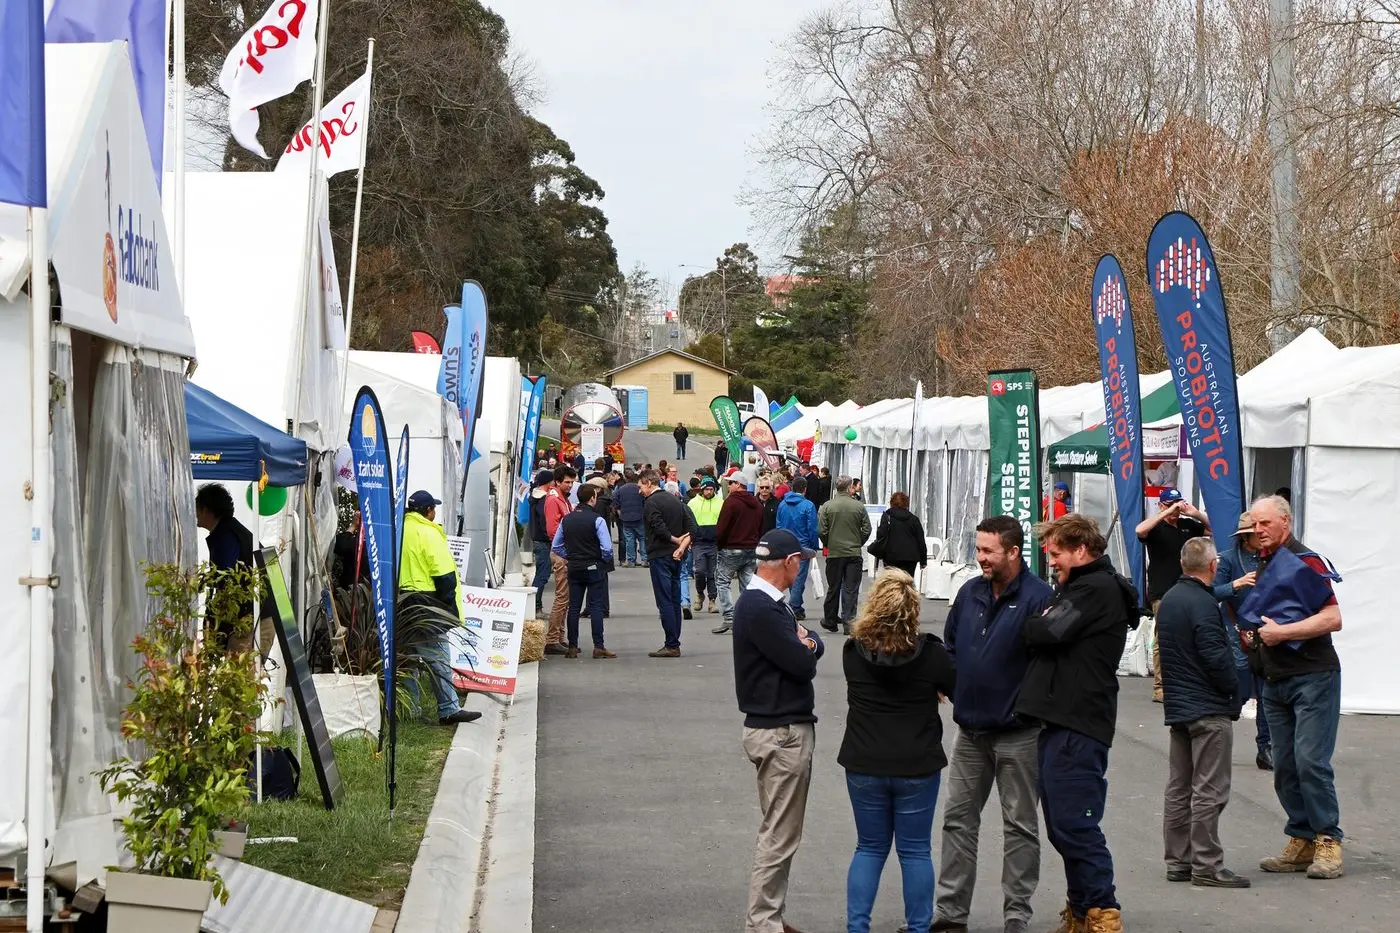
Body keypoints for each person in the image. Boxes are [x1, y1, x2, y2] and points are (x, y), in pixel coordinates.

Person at [931, 516, 1053, 933]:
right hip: (970, 733)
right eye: (978, 549)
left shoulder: (1039, 598)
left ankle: (1016, 915)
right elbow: (950, 646)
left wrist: (1024, 707)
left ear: (1014, 552)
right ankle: (951, 914)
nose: (980, 557)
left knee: (1019, 827)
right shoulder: (970, 592)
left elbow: (1049, 664)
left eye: (988, 551)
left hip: (1020, 735)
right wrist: (952, 683)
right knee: (957, 822)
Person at [1017, 514, 1136, 933]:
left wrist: (1037, 620)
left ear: (1081, 550)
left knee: (1075, 823)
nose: (1050, 562)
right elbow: (1048, 627)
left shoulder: (1095, 589)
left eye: (1056, 553)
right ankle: (1083, 908)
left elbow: (1046, 631)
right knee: (1062, 825)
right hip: (1062, 720)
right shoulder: (1080, 588)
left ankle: (1102, 910)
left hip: (1079, 723)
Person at [840, 569, 956, 933]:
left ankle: (858, 927)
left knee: (869, 848)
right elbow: (954, 687)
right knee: (916, 850)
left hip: (864, 761)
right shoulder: (932, 654)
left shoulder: (853, 651)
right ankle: (919, 927)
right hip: (916, 762)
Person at [1245, 495, 1345, 880]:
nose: (1258, 530)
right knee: (1284, 765)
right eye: (1255, 524)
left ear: (1285, 522)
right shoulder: (1264, 561)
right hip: (1275, 680)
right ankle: (1302, 837)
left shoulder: (1306, 561)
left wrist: (1282, 633)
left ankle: (1328, 839)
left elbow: (1333, 618)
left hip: (1313, 677)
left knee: (1310, 762)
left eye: (1265, 523)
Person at [732, 529, 824, 933]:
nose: (799, 569)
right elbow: (802, 662)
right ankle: (763, 921)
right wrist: (809, 644)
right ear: (788, 563)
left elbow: (806, 646)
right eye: (798, 562)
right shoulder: (762, 607)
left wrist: (808, 642)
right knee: (780, 834)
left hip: (775, 727)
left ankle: (769, 915)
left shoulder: (764, 604)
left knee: (779, 829)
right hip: (780, 730)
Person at [1156, 537, 1249, 889]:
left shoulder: (1170, 600)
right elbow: (1215, 656)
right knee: (1210, 789)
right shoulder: (1204, 603)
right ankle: (1207, 864)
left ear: (1183, 564)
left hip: (1180, 706)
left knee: (1179, 787)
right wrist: (1234, 689)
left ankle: (1178, 860)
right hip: (1208, 707)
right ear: (1213, 566)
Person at [397, 490, 483, 726]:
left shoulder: (398, 529)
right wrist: (446, 609)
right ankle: (449, 709)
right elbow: (444, 574)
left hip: (401, 601)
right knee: (438, 658)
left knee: (407, 658)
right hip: (427, 603)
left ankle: (410, 710)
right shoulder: (428, 532)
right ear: (428, 511)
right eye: (433, 508)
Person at [1136, 488, 1210, 702]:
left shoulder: (1187, 525)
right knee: (1163, 639)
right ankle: (1160, 687)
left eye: (1178, 504)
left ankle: (1184, 683)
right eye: (1170, 505)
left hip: (1187, 589)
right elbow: (1140, 530)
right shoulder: (1156, 527)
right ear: (1161, 505)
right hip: (1162, 590)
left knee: (1188, 636)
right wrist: (1166, 513)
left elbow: (1214, 529)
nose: (1176, 510)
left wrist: (1196, 513)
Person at [1212, 511, 1271, 771]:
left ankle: (1265, 748)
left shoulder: (1272, 557)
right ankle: (1215, 743)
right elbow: (1211, 592)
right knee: (1239, 689)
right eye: (1256, 533)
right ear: (1246, 537)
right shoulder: (1227, 559)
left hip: (1266, 632)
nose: (1262, 536)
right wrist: (1236, 584)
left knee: (1266, 693)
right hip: (1236, 630)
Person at [550, 483, 617, 659]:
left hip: (574, 566)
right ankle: (598, 646)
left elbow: (556, 545)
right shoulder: (597, 520)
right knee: (596, 606)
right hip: (594, 565)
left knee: (574, 607)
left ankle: (572, 646)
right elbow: (607, 547)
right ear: (592, 498)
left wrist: (570, 556)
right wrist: (602, 558)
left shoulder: (566, 519)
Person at [195, 483, 264, 651]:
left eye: (196, 509)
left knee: (238, 664)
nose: (194, 514)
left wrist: (201, 582)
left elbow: (225, 576)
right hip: (254, 613)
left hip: (252, 615)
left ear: (206, 510)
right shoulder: (228, 529)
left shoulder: (225, 535)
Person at [640, 469, 694, 658]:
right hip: (676, 556)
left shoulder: (651, 502)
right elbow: (691, 528)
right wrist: (682, 546)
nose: (640, 490)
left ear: (648, 483)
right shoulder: (676, 500)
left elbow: (658, 527)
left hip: (660, 554)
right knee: (674, 599)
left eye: (641, 486)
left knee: (664, 600)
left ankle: (671, 643)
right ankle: (674, 641)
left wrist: (675, 540)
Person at [818, 476, 871, 635]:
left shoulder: (827, 506)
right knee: (851, 588)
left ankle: (830, 619)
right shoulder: (858, 506)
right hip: (853, 552)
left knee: (833, 587)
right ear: (849, 488)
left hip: (835, 553)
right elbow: (867, 529)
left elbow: (821, 530)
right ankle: (849, 622)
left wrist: (828, 543)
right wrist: (858, 542)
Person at [713, 469, 763, 635]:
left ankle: (729, 617)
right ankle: (748, 617)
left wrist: (719, 545)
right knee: (747, 583)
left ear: (738, 484)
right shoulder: (756, 503)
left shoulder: (731, 502)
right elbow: (760, 526)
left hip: (731, 548)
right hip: (751, 548)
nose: (728, 486)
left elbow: (722, 527)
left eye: (730, 483)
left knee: (722, 581)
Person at [776, 475, 819, 622]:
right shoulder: (808, 505)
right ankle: (794, 607)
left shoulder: (782, 504)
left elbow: (779, 525)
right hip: (802, 545)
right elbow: (812, 528)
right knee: (799, 578)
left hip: (786, 544)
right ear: (805, 489)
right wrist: (814, 547)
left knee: (791, 576)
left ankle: (797, 607)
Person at [544, 465, 577, 656]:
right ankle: (552, 639)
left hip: (564, 551)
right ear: (557, 482)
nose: (570, 485)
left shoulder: (562, 498)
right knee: (562, 597)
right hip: (561, 552)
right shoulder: (553, 499)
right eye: (567, 482)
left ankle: (559, 637)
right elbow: (552, 529)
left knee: (566, 598)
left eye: (572, 482)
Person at [870, 492, 928, 578]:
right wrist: (923, 561)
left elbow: (881, 535)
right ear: (906, 503)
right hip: (910, 558)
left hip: (890, 556)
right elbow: (921, 541)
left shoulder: (887, 517)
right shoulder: (914, 519)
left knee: (892, 581)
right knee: (906, 581)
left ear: (892, 502)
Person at [688, 477, 723, 614]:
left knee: (712, 573)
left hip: (714, 543)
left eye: (711, 489)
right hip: (698, 542)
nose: (709, 492)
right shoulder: (693, 503)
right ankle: (700, 593)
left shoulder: (720, 503)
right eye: (706, 489)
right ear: (701, 490)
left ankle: (712, 600)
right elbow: (687, 522)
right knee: (700, 571)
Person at [527, 469, 557, 617]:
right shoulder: (543, 499)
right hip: (543, 540)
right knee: (543, 575)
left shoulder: (534, 496)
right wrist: (551, 537)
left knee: (541, 573)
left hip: (537, 538)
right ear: (549, 482)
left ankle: (534, 606)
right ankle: (535, 607)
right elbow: (544, 521)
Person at [614, 471, 647, 568]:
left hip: (626, 518)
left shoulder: (621, 489)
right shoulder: (639, 488)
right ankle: (644, 559)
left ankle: (631, 560)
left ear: (625, 478)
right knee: (642, 538)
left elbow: (615, 503)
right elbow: (645, 502)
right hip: (639, 517)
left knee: (629, 539)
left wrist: (621, 514)